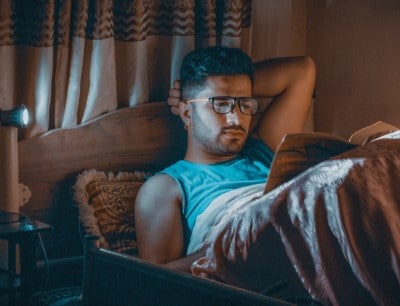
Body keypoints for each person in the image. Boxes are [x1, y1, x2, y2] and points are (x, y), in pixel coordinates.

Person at [135, 46, 316, 264]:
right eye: (220, 104)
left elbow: (302, 70)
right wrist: (232, 247)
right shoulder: (165, 187)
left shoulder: (266, 151)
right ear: (186, 112)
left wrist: (230, 87)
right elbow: (156, 284)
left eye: (244, 104)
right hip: (256, 260)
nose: (235, 120)